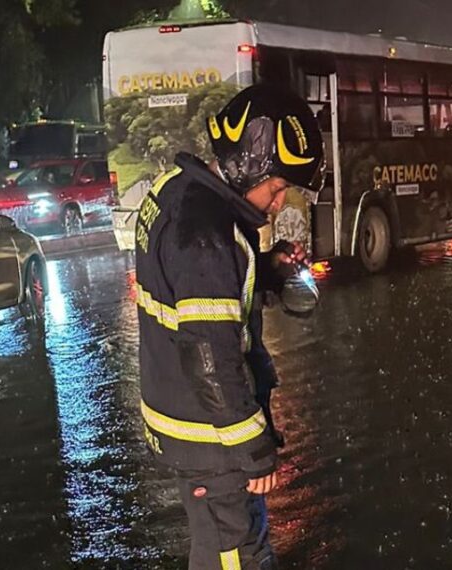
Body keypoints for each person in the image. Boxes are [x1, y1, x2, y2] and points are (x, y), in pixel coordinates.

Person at [134, 84, 324, 570]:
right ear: (250, 163)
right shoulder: (207, 233)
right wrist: (254, 449)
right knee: (238, 552)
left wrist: (266, 267)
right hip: (211, 438)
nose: (279, 203)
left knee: (218, 547)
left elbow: (197, 292)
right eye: (278, 187)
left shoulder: (176, 191)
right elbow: (210, 357)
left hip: (183, 422)